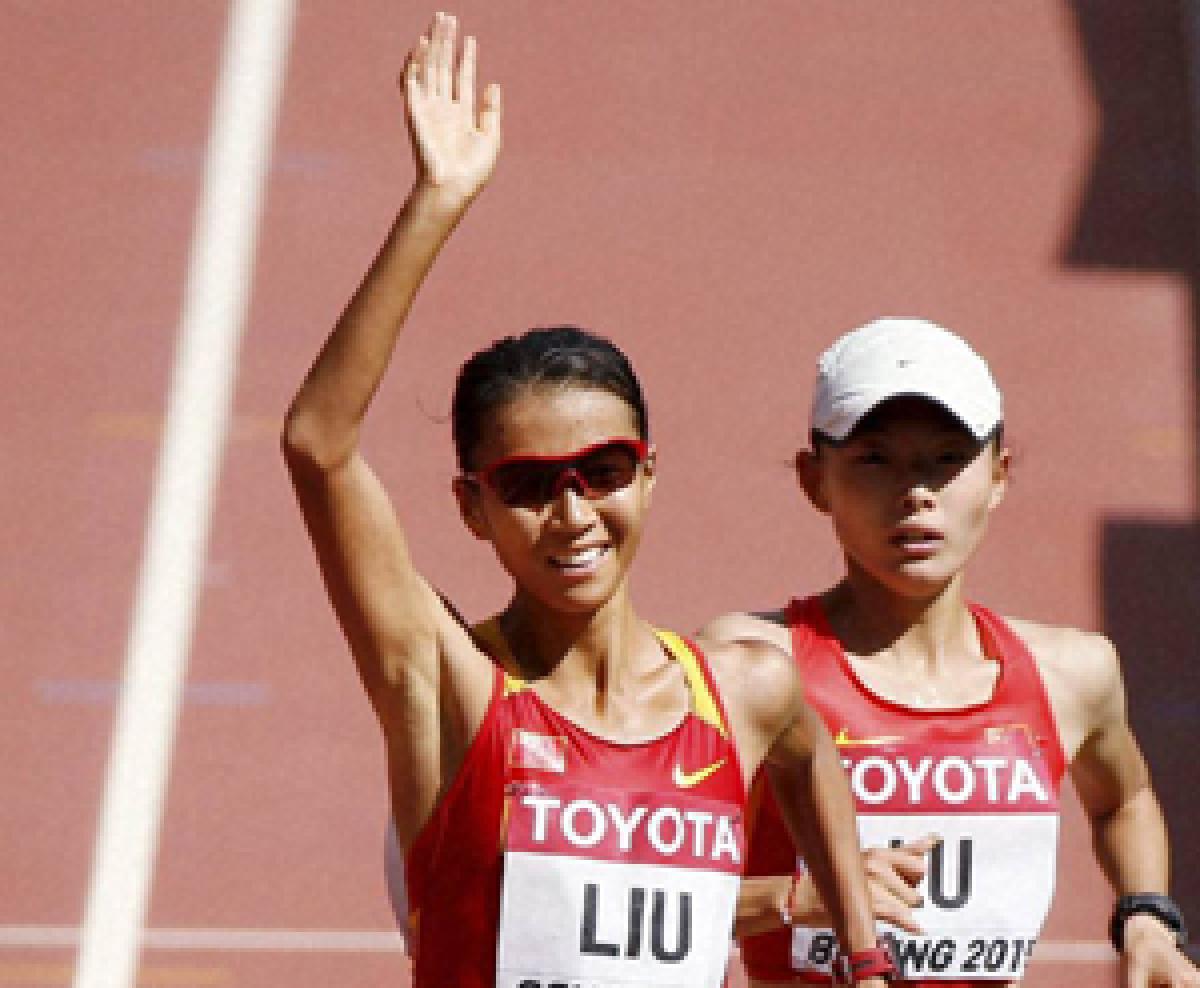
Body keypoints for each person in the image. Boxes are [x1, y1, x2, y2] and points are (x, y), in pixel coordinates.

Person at [282, 13, 894, 987]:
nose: (570, 515)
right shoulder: (450, 688)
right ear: (471, 507)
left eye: (601, 471)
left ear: (648, 473)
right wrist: (437, 201)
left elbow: (810, 757)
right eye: (526, 487)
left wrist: (863, 954)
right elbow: (317, 444)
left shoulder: (743, 692)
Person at [701, 317, 1200, 987]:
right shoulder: (749, 668)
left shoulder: (1072, 674)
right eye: (874, 458)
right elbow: (640, 889)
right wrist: (798, 899)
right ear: (814, 479)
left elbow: (1123, 800)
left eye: (947, 457)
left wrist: (1146, 916)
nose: (916, 491)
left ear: (998, 475)